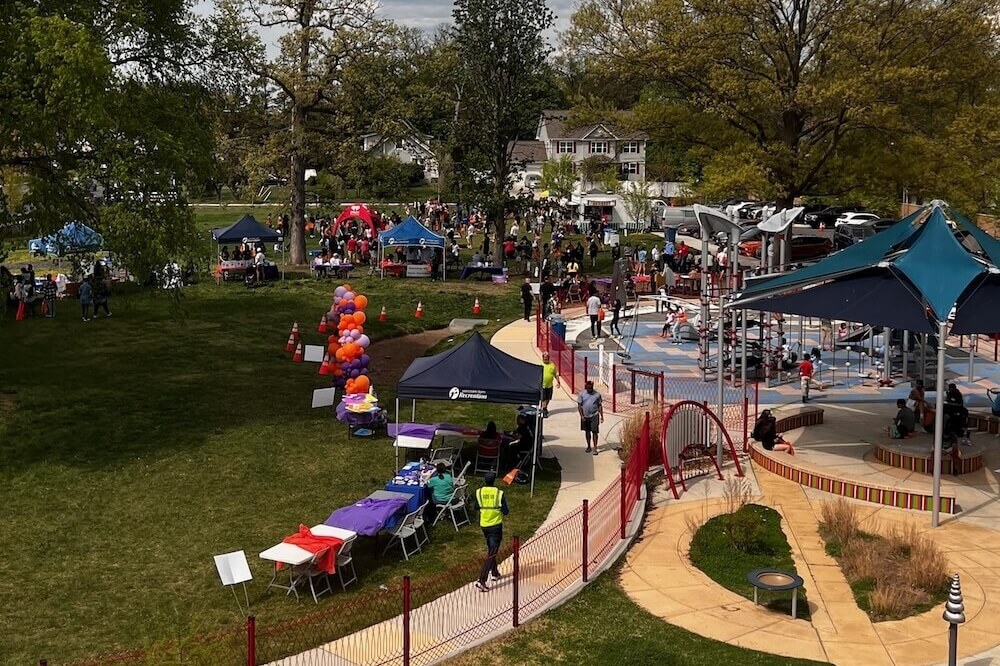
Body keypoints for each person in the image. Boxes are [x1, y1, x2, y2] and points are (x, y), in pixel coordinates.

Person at [474, 472, 509, 592]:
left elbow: (475, 507)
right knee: (492, 552)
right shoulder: (499, 493)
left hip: (484, 525)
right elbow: (505, 511)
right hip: (495, 526)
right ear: (494, 480)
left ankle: (495, 573)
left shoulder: (479, 492)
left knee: (491, 549)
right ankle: (482, 580)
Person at [577, 380, 604, 455]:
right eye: (588, 388)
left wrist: (602, 416)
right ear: (586, 387)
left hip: (594, 415)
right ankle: (588, 446)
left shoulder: (597, 395)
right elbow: (579, 406)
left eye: (591, 388)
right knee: (587, 431)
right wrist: (581, 416)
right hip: (585, 416)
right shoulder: (582, 394)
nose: (590, 390)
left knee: (595, 431)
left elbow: (600, 405)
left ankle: (595, 448)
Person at [541, 352, 560, 418]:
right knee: (543, 399)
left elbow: (556, 374)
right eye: (544, 358)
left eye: (547, 358)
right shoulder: (540, 365)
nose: (545, 359)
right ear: (542, 358)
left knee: (548, 398)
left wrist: (558, 382)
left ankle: (544, 407)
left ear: (549, 358)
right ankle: (544, 410)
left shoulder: (552, 365)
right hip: (542, 385)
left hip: (549, 385)